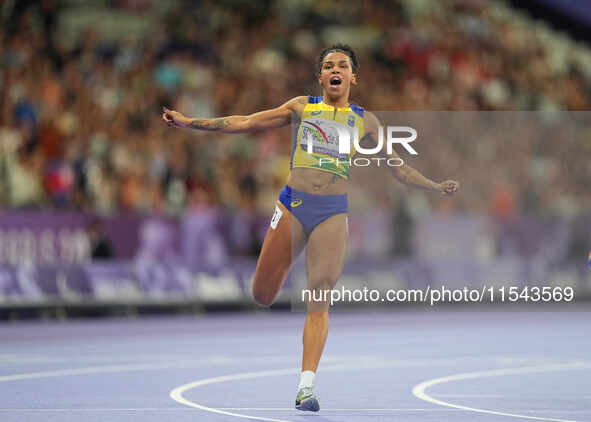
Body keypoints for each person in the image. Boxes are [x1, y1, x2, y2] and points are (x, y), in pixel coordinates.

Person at [162, 44, 459, 412]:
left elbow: (398, 167)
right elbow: (245, 122)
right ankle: (280, 275)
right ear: (321, 77)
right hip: (294, 206)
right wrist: (189, 122)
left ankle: (306, 386)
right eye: (329, 65)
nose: (336, 70)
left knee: (319, 297)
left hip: (333, 213)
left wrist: (433, 186)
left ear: (353, 77)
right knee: (262, 294)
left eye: (343, 65)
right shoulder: (302, 107)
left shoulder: (366, 122)